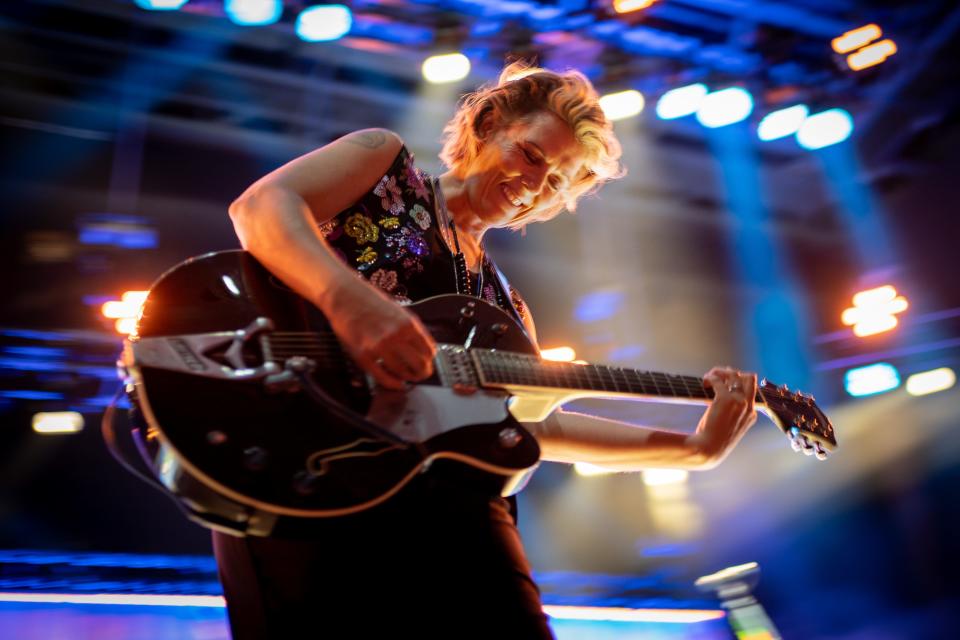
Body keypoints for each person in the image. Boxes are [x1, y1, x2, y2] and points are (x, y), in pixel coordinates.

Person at [216, 61, 759, 639]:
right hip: (301, 466)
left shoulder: (509, 311)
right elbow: (259, 208)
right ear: (488, 122)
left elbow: (527, 433)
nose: (533, 186)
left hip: (448, 511)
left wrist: (693, 449)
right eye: (530, 156)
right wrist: (348, 301)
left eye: (553, 182)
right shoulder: (385, 165)